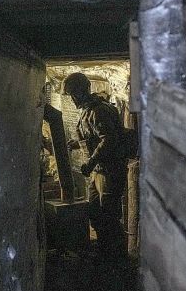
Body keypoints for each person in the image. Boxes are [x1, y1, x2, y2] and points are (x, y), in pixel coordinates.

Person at [64, 72, 126, 261]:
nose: (72, 98)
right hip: (98, 172)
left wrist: (90, 163)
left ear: (82, 92)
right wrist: (77, 143)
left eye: (73, 94)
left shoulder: (99, 110)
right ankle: (104, 250)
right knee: (95, 212)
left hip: (109, 171)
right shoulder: (86, 111)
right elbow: (92, 137)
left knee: (109, 215)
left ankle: (116, 257)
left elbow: (108, 139)